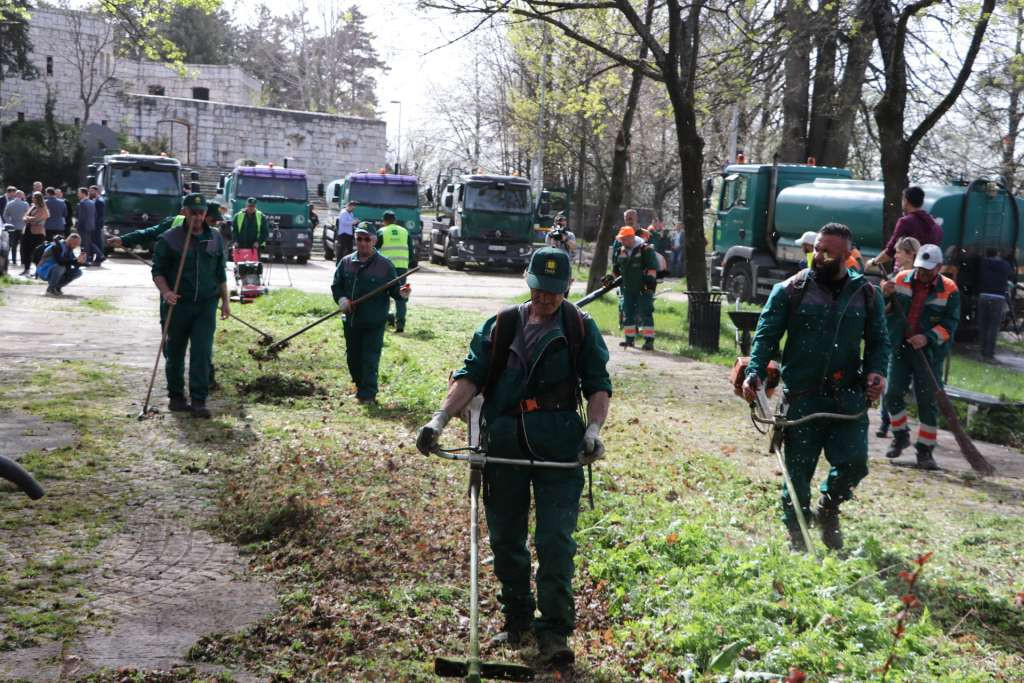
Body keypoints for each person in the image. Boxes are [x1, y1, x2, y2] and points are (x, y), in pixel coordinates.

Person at [415, 247, 611, 670]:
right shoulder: (502, 324)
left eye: (554, 293)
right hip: (503, 442)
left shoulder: (580, 327)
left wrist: (593, 430)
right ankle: (517, 617)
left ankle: (555, 631)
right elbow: (471, 376)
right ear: (528, 282)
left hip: (559, 445)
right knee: (506, 536)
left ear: (567, 290)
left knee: (555, 540)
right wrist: (439, 420)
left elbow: (598, 384)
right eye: (539, 290)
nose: (545, 299)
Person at [743, 223, 890, 551]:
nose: (818, 256)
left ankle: (829, 508)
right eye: (816, 249)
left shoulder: (866, 295)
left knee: (855, 463)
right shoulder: (790, 290)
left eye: (827, 252)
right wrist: (755, 372)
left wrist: (877, 372)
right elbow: (766, 337)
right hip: (803, 398)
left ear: (848, 257)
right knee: (797, 473)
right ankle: (797, 533)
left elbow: (880, 341)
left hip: (848, 397)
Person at [151, 194, 230, 418]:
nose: (197, 217)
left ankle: (199, 400)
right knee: (174, 351)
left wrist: (225, 301)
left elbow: (220, 273)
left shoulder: (215, 238)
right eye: (193, 212)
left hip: (206, 304)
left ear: (206, 214)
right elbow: (157, 271)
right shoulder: (169, 239)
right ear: (184, 212)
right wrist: (166, 292)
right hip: (178, 304)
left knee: (202, 352)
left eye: (201, 213)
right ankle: (176, 397)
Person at [881, 243, 960, 470]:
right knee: (892, 394)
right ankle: (900, 435)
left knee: (927, 401)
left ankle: (925, 450)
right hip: (900, 347)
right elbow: (884, 308)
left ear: (939, 268)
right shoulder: (901, 278)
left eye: (927, 271)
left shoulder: (949, 289)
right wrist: (885, 294)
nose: (922, 274)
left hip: (929, 354)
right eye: (920, 269)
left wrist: (927, 338)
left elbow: (950, 325)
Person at [331, 223, 409, 403]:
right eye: (359, 239)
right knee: (353, 358)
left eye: (367, 239)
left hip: (374, 322)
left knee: (370, 358)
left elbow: (394, 291)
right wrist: (342, 299)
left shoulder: (385, 265)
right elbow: (337, 286)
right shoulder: (346, 262)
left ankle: (368, 394)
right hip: (352, 321)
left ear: (374, 240)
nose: (363, 243)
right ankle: (360, 387)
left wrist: (402, 294)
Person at [876, 236, 920, 438]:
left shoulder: (916, 279)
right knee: (891, 384)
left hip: (911, 339)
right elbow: (884, 309)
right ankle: (886, 422)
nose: (896, 255)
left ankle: (892, 423)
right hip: (894, 336)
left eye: (899, 252)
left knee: (896, 386)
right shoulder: (895, 277)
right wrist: (885, 295)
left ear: (910, 254)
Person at [868, 186, 943, 269]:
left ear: (905, 201)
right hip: (929, 272)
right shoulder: (935, 226)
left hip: (908, 274)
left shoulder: (906, 221)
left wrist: (874, 262)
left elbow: (890, 251)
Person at [612, 225, 659, 350]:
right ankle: (629, 340)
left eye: (624, 239)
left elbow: (653, 269)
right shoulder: (621, 250)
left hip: (643, 288)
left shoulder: (645, 249)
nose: (621, 241)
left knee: (645, 313)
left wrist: (649, 285)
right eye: (621, 239)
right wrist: (611, 278)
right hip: (627, 288)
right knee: (628, 313)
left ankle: (649, 341)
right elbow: (616, 268)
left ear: (631, 237)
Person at [376, 210, 415, 333]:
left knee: (383, 294)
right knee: (401, 295)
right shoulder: (404, 232)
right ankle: (400, 325)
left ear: (384, 221)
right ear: (395, 220)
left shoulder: (381, 232)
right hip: (402, 268)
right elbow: (411, 251)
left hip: (385, 268)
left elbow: (374, 251)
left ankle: (385, 320)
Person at [975, 248, 1013, 360]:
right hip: (998, 297)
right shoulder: (1005, 265)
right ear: (998, 254)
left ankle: (982, 351)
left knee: (983, 325)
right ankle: (989, 353)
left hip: (983, 296)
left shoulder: (983, 263)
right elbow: (1010, 272)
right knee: (993, 327)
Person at [21, 191, 49, 276]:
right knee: (25, 250)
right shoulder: (32, 206)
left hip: (37, 233)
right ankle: (26, 269)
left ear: (38, 198)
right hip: (28, 231)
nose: (32, 198)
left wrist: (28, 219)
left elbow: (37, 219)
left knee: (36, 252)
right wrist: (28, 218)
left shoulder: (43, 208)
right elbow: (24, 216)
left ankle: (38, 271)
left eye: (33, 197)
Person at [3, 189, 28, 272]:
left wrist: (9, 222)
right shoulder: (25, 204)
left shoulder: (10, 204)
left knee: (13, 245)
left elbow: (5, 215)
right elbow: (28, 215)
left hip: (13, 226)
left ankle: (13, 260)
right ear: (21, 196)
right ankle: (22, 261)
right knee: (23, 245)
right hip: (23, 227)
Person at [76, 188, 99, 266]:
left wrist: (77, 227)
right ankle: (87, 259)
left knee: (83, 244)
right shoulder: (92, 202)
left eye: (79, 193)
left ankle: (84, 260)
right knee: (88, 243)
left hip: (83, 227)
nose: (78, 194)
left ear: (83, 193)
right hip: (91, 226)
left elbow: (81, 217)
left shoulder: (82, 203)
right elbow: (95, 215)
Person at [88, 185, 106, 266]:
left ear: (96, 192)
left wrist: (96, 225)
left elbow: (100, 216)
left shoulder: (99, 201)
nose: (90, 193)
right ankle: (91, 257)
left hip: (96, 226)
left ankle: (99, 257)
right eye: (89, 191)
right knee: (91, 241)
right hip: (92, 225)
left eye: (92, 191)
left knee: (96, 242)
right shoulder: (92, 200)